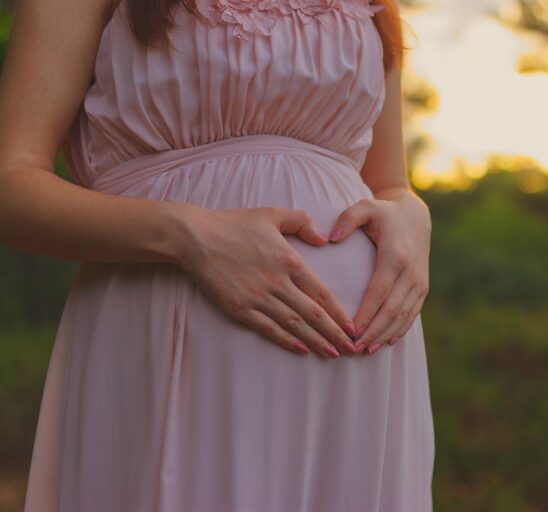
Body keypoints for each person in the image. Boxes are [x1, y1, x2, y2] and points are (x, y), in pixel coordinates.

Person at [0, 0, 435, 509]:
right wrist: (191, 236)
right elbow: (10, 185)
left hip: (363, 368)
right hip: (174, 337)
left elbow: (389, 182)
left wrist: (414, 216)